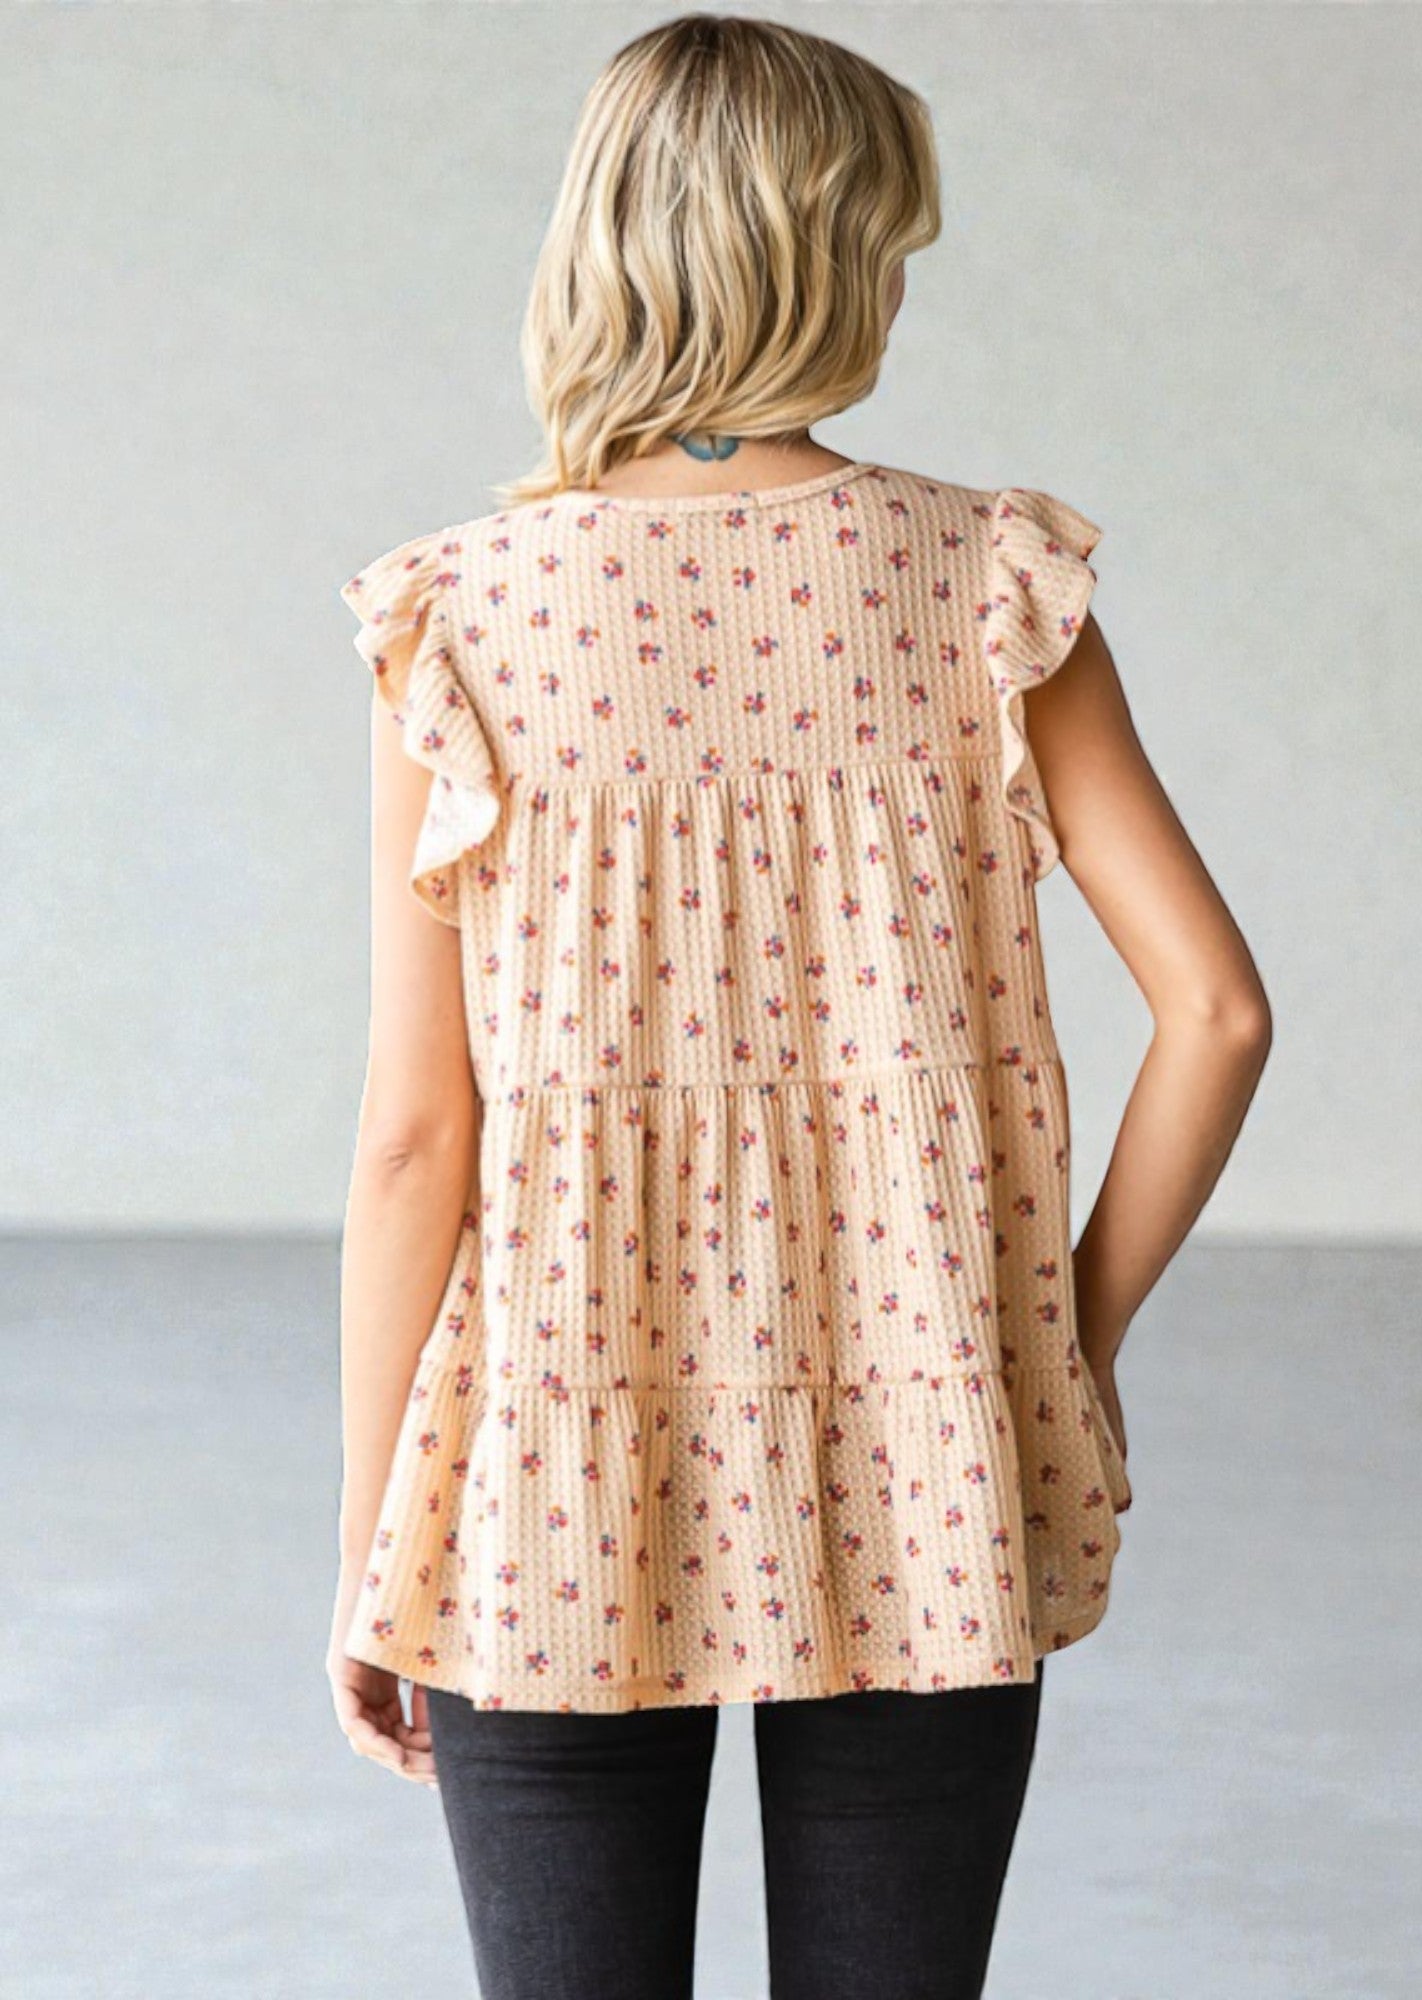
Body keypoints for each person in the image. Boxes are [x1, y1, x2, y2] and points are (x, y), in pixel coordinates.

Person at [325, 14, 1271, 1998]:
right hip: (930, 1444)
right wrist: (1062, 1343)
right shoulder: (981, 578)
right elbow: (1215, 1013)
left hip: (551, 1457)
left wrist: (369, 1542)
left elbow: (420, 1132)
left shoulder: (461, 618)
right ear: (831, 258)